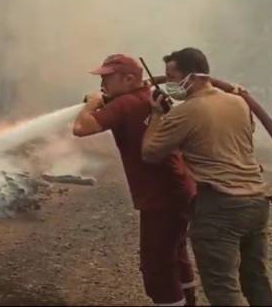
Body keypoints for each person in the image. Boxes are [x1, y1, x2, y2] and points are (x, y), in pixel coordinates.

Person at [141, 47, 272, 306]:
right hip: (257, 202)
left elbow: (150, 152)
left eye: (171, 76)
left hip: (219, 208)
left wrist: (157, 115)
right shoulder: (238, 102)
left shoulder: (187, 112)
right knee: (256, 279)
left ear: (190, 76)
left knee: (222, 289)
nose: (168, 83)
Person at [73, 53, 197, 306]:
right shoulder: (146, 96)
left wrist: (92, 104)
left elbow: (81, 128)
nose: (102, 84)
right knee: (176, 255)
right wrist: (104, 99)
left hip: (160, 196)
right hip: (180, 188)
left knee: (156, 267)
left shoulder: (126, 103)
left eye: (107, 78)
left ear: (129, 79)